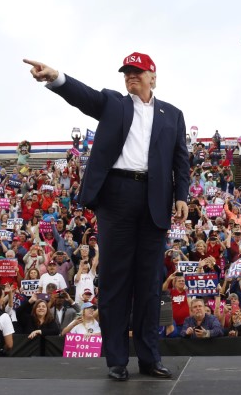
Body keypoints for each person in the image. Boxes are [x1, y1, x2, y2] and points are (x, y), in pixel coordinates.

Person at [24, 53, 189, 382]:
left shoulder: (172, 114)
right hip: (117, 196)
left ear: (152, 77)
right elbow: (85, 96)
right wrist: (56, 77)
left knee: (149, 283)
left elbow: (180, 160)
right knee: (115, 281)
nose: (131, 78)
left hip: (155, 199)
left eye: (137, 73)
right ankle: (116, 360)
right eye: (126, 73)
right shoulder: (115, 103)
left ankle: (149, 357)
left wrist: (182, 196)